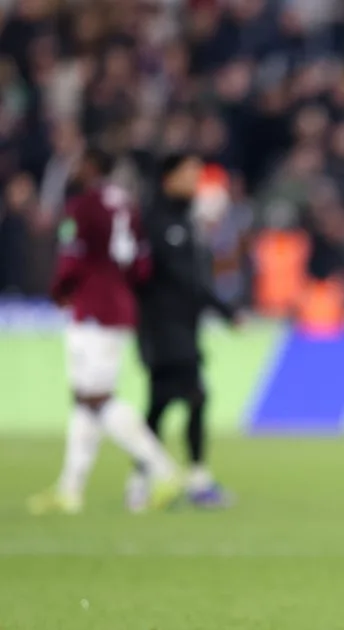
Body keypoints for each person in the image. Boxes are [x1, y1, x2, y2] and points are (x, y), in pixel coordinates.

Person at [28, 148, 182, 515]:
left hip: (92, 308)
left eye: (78, 163)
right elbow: (141, 264)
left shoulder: (82, 206)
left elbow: (71, 256)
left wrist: (59, 292)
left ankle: (165, 471)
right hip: (119, 306)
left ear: (91, 166)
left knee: (98, 398)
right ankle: (70, 490)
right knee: (84, 398)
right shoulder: (127, 205)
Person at [126, 153, 240, 511]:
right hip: (161, 327)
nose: (195, 181)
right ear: (169, 178)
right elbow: (183, 279)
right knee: (192, 397)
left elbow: (195, 276)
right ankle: (192, 480)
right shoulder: (155, 221)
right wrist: (224, 310)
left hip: (183, 326)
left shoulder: (185, 220)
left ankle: (144, 481)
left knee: (161, 405)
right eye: (189, 174)